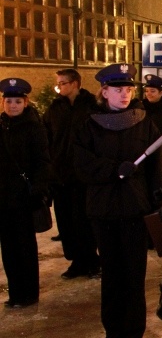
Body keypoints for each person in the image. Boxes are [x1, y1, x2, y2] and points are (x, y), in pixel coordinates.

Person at [74, 63, 162, 338]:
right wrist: (114, 170)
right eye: (118, 89)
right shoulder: (89, 125)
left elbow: (157, 165)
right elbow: (81, 163)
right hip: (103, 209)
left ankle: (131, 335)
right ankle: (112, 332)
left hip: (133, 208)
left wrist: (156, 200)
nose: (124, 94)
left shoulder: (143, 122)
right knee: (112, 274)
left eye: (128, 89)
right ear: (105, 92)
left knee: (132, 273)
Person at [42, 69, 101, 279]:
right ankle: (76, 261)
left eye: (62, 83)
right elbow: (46, 137)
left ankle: (91, 260)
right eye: (57, 84)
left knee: (84, 221)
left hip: (83, 176)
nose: (59, 88)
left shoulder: (91, 106)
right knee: (66, 222)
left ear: (75, 83)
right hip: (61, 176)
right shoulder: (55, 108)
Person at [0, 78, 51, 308]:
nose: (12, 106)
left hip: (23, 197)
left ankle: (29, 293)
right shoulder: (1, 126)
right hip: (3, 197)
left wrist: (38, 189)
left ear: (26, 102)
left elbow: (42, 162)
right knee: (8, 248)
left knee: (25, 246)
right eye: (9, 101)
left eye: (17, 101)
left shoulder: (34, 127)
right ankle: (15, 293)